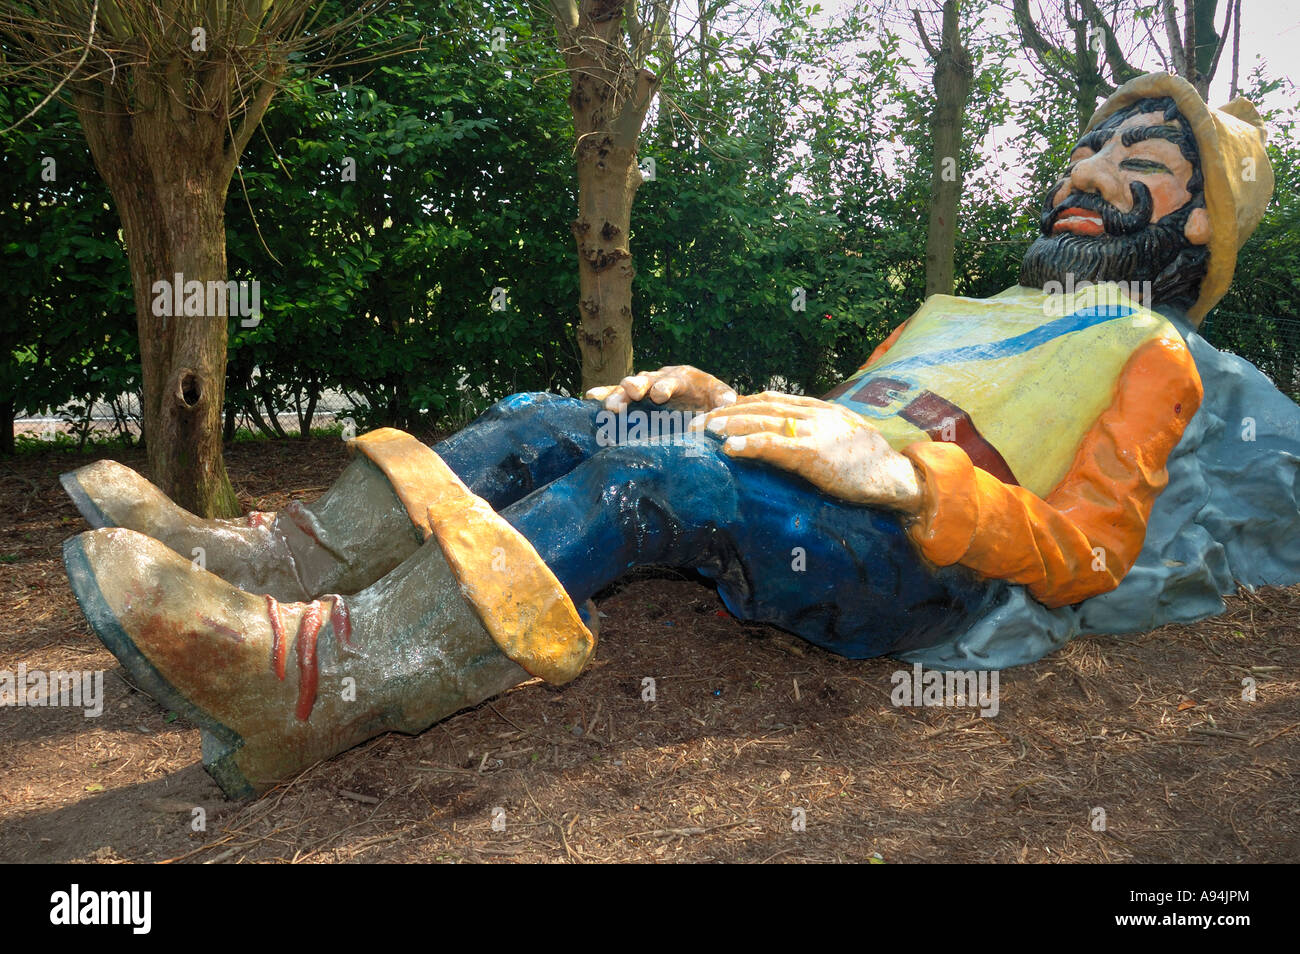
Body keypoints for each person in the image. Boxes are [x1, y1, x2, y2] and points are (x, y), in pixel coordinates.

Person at [60, 73, 1277, 796]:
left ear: (1195, 234)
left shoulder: (1151, 355)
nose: (1093, 167)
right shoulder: (956, 308)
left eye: (1142, 160)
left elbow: (1090, 552)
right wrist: (719, 395)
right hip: (823, 497)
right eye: (1093, 142)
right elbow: (835, 424)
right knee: (569, 414)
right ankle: (276, 562)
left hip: (917, 565)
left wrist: (911, 471)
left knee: (652, 476)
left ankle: (320, 678)